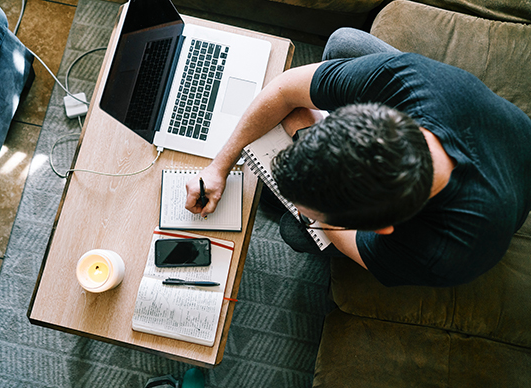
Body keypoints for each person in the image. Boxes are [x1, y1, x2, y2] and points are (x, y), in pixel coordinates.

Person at [184, 28, 531, 287]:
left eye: (319, 217)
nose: (308, 214)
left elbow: (354, 245)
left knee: (295, 230)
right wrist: (219, 166)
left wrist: (301, 128)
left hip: (504, 207)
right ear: (367, 114)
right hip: (503, 139)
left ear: (381, 228)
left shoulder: (438, 253)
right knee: (344, 43)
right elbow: (285, 88)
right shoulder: (407, 81)